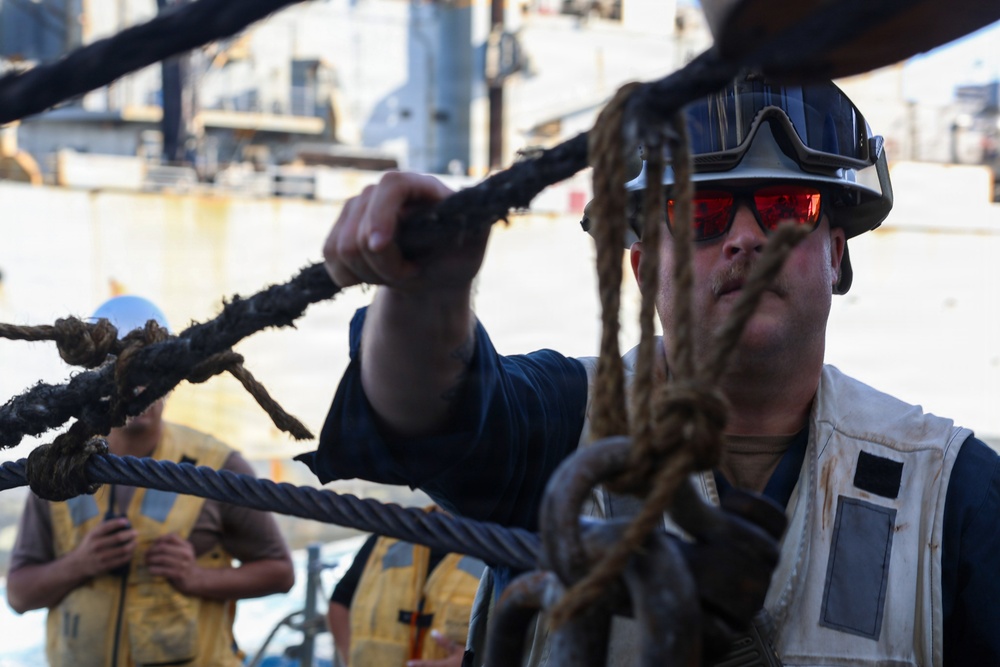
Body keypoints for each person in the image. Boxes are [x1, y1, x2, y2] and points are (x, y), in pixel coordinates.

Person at [300, 73, 1000, 666]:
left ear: (836, 256)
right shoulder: (563, 426)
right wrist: (425, 293)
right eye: (702, 212)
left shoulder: (952, 490)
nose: (747, 236)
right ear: (642, 269)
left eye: (787, 206)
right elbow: (427, 418)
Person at [6, 295, 296, 667]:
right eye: (122, 370)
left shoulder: (218, 466)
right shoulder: (60, 469)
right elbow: (19, 594)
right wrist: (79, 563)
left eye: (149, 369)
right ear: (95, 379)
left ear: (171, 378)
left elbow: (280, 572)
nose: (136, 386)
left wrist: (196, 577)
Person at [326, 515, 485, 667]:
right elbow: (341, 601)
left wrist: (476, 663)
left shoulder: (495, 544)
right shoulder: (387, 536)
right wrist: (352, 659)